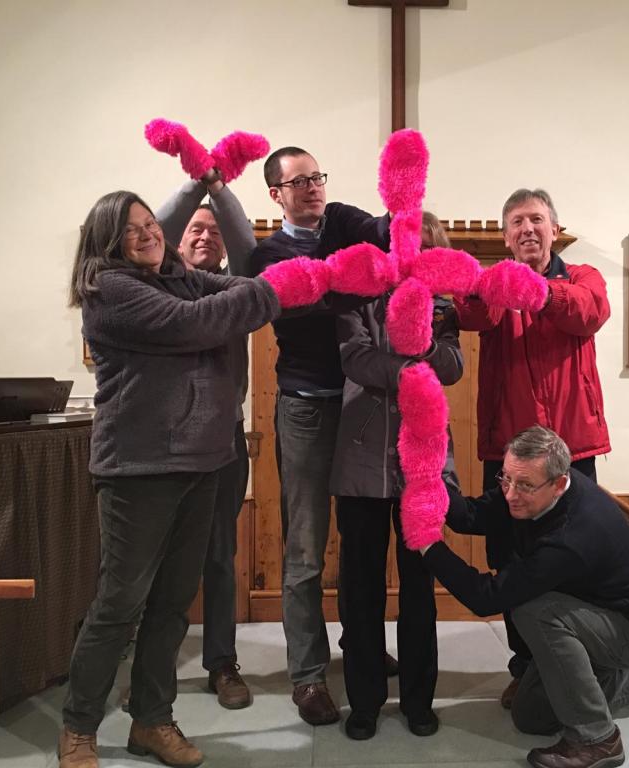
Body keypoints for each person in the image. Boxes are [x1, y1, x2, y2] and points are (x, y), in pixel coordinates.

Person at [60, 190, 281, 768]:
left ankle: (152, 721)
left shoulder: (177, 278)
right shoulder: (111, 289)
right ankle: (79, 729)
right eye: (131, 229)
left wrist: (261, 284)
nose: (148, 233)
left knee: (172, 605)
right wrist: (275, 287)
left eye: (150, 224)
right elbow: (198, 322)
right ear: (108, 242)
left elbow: (238, 287)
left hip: (203, 463)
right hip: (138, 469)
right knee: (119, 605)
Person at [407, 426, 629, 768]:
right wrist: (426, 481)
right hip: (590, 611)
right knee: (531, 717)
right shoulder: (534, 487)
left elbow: (487, 598)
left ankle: (597, 739)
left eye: (524, 486)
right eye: (506, 479)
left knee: (532, 611)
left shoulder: (572, 537)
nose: (510, 494)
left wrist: (428, 544)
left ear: (559, 484)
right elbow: (471, 515)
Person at [250, 146, 395, 726]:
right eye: (299, 181)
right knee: (306, 548)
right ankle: (308, 676)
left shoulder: (340, 221)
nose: (313, 187)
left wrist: (401, 212)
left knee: (362, 541)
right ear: (276, 194)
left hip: (363, 405)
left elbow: (383, 233)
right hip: (307, 408)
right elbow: (308, 303)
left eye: (317, 177)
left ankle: (361, 648)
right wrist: (356, 282)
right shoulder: (268, 254)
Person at [454, 188, 611, 706]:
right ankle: (526, 667)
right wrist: (496, 285)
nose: (528, 229)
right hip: (509, 455)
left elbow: (589, 313)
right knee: (511, 560)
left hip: (573, 451)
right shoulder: (494, 283)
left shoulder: (583, 277)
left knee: (579, 558)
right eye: (517, 222)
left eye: (537, 220)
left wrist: (538, 290)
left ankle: (587, 663)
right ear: (505, 237)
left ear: (554, 230)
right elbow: (471, 314)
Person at [328, 211, 462, 740]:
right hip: (360, 460)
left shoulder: (443, 304)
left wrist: (424, 347)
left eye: (425, 245)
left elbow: (452, 366)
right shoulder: (356, 295)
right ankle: (364, 702)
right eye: (406, 243)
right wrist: (410, 371)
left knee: (419, 586)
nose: (414, 254)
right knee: (360, 587)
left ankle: (418, 701)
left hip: (422, 462)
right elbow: (355, 359)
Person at [155, 169, 256, 710]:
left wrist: (218, 189)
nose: (205, 237)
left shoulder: (237, 291)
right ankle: (155, 670)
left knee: (219, 556)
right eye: (195, 229)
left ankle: (222, 664)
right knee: (161, 559)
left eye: (213, 232)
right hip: (166, 445)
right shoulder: (157, 284)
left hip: (225, 442)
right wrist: (194, 187)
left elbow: (247, 246)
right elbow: (158, 224)